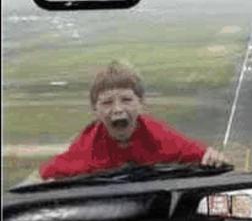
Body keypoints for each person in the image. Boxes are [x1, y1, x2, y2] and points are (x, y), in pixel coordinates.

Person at [39, 61, 227, 180]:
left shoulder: (160, 137)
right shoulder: (86, 148)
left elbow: (205, 156)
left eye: (126, 100)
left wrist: (213, 158)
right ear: (95, 110)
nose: (117, 109)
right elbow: (46, 174)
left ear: (141, 103)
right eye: (107, 102)